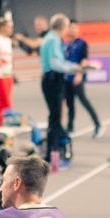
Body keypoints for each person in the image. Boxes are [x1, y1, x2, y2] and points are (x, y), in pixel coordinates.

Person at [38, 14, 82, 168]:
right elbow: (56, 64)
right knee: (56, 118)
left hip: (49, 79)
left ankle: (51, 151)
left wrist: (71, 66)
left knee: (54, 117)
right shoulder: (54, 40)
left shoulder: (49, 38)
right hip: (53, 80)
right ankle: (53, 152)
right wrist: (73, 67)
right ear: (63, 27)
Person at [62, 21, 100, 139]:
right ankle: (70, 127)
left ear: (77, 30)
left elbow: (84, 60)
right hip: (67, 79)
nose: (72, 30)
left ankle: (97, 124)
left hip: (77, 78)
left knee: (84, 100)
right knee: (70, 104)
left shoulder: (82, 43)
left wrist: (79, 74)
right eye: (70, 28)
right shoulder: (66, 45)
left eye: (74, 28)